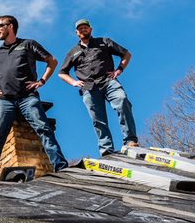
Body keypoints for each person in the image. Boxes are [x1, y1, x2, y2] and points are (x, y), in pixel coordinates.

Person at [0, 15, 68, 193]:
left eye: (0, 26)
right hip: (4, 101)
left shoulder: (28, 44)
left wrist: (42, 81)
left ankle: (61, 169)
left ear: (11, 26)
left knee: (44, 130)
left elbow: (52, 61)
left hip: (28, 98)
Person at [57, 18, 138, 156]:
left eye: (85, 27)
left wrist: (119, 70)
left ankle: (130, 140)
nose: (83, 30)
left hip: (108, 81)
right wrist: (74, 82)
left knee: (122, 100)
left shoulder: (104, 41)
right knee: (98, 119)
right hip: (89, 88)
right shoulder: (73, 52)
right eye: (80, 28)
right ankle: (106, 150)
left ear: (90, 29)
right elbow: (62, 73)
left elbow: (126, 54)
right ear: (77, 33)